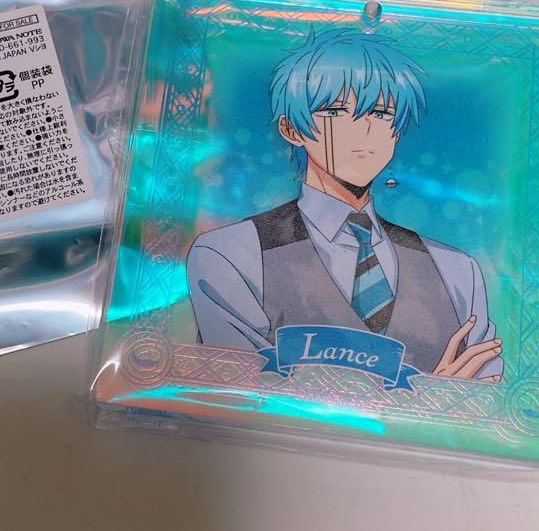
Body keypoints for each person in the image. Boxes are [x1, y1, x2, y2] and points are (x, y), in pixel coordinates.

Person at [186, 30, 503, 381]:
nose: (363, 130)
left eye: (381, 113)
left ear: (396, 131)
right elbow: (242, 394)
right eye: (335, 111)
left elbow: (487, 399)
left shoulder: (457, 270)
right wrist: (432, 393)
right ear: (292, 129)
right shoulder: (231, 254)